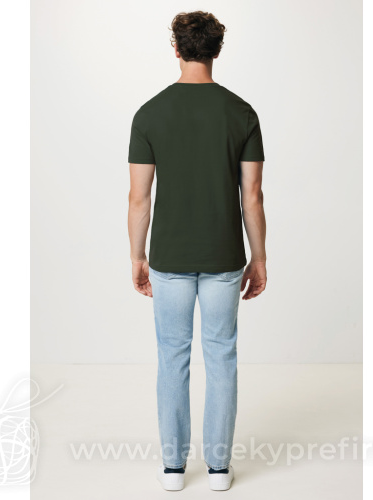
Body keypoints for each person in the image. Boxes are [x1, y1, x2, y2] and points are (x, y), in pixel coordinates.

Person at [127, 10, 267, 491]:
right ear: (217, 50)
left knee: (172, 357)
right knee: (222, 355)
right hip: (224, 256)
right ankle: (219, 470)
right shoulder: (241, 113)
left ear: (176, 49)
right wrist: (259, 258)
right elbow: (252, 195)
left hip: (169, 257)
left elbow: (139, 198)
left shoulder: (149, 113)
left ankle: (172, 470)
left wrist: (137, 257)